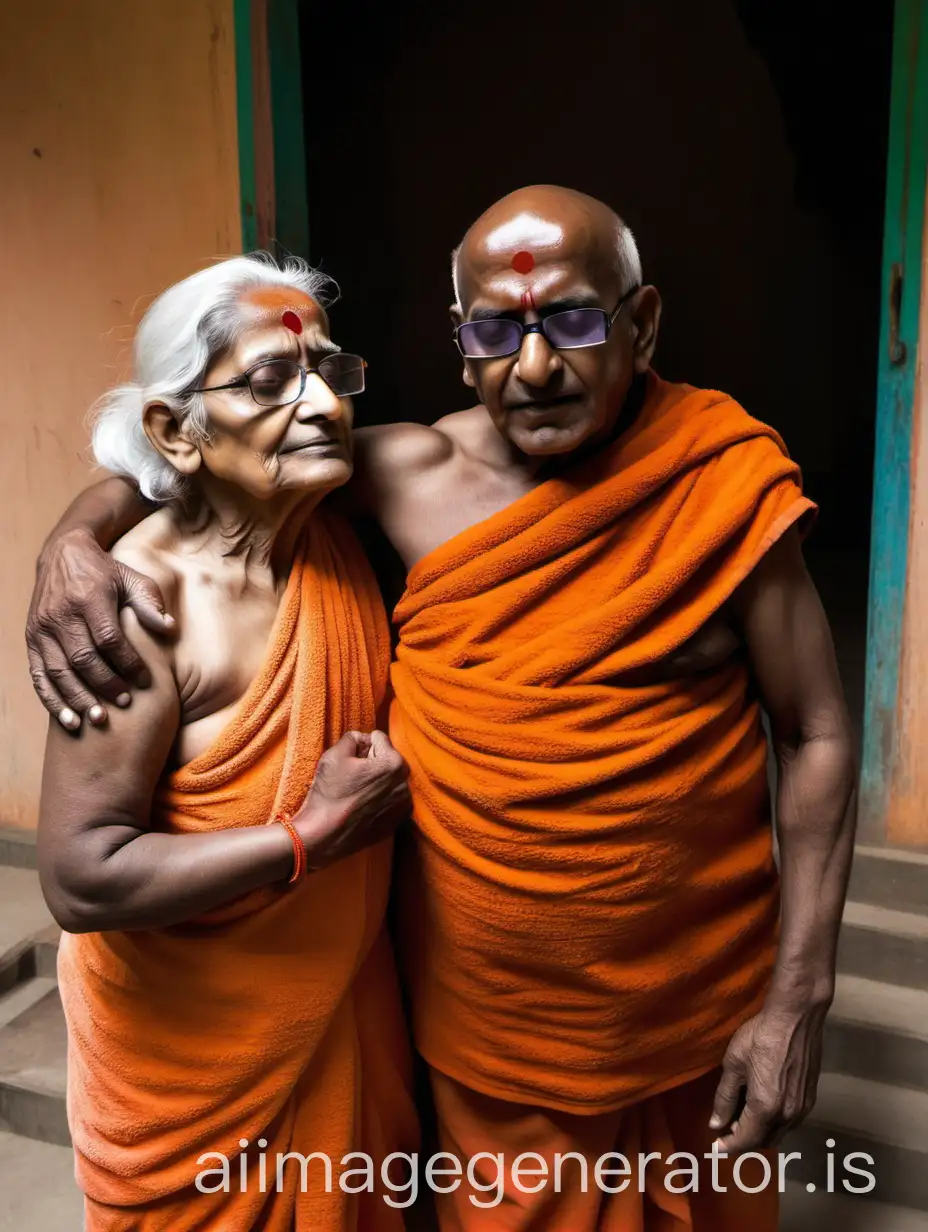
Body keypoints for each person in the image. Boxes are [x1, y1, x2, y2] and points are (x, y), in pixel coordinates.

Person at [27, 187, 856, 1230]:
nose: (536, 364)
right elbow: (192, 474)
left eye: (572, 319)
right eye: (496, 330)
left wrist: (798, 997)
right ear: (460, 347)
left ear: (641, 325)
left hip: (693, 999)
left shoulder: (722, 483)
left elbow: (816, 730)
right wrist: (73, 540)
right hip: (489, 1022)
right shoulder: (399, 474)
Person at [33, 253, 418, 1231]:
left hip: (334, 1011)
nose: (323, 403)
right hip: (189, 1063)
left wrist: (68, 527)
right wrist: (310, 835)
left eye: (332, 370)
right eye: (270, 379)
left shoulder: (334, 525)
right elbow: (81, 875)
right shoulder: (139, 604)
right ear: (176, 428)